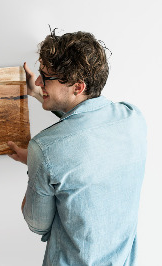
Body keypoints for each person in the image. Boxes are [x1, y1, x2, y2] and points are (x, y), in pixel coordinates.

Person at [8, 30, 147, 265]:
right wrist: (38, 93)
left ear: (78, 86)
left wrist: (36, 164)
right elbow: (86, 124)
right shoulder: (133, 118)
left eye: (46, 77)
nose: (39, 81)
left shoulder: (44, 149)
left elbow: (36, 224)